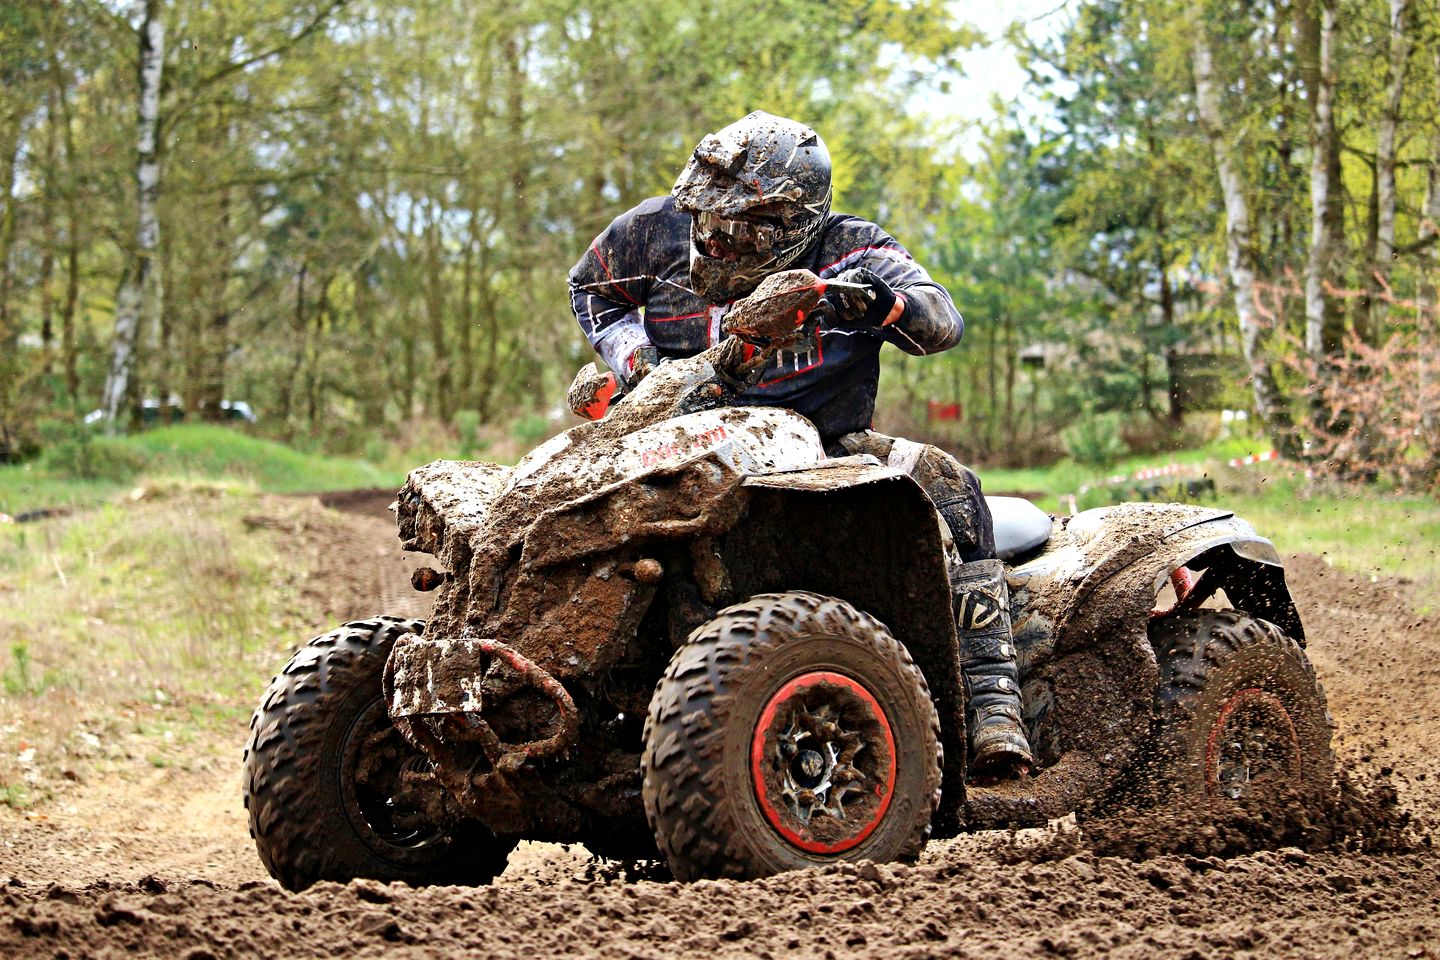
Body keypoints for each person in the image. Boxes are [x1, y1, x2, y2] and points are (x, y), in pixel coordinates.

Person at [567, 111, 1032, 775]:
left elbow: (942, 319)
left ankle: (992, 703)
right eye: (709, 216)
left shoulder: (850, 248)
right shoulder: (651, 230)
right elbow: (591, 287)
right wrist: (635, 362)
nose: (720, 237)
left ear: (796, 221)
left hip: (826, 447)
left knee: (952, 484)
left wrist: (876, 304)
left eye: (744, 223)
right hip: (679, 440)